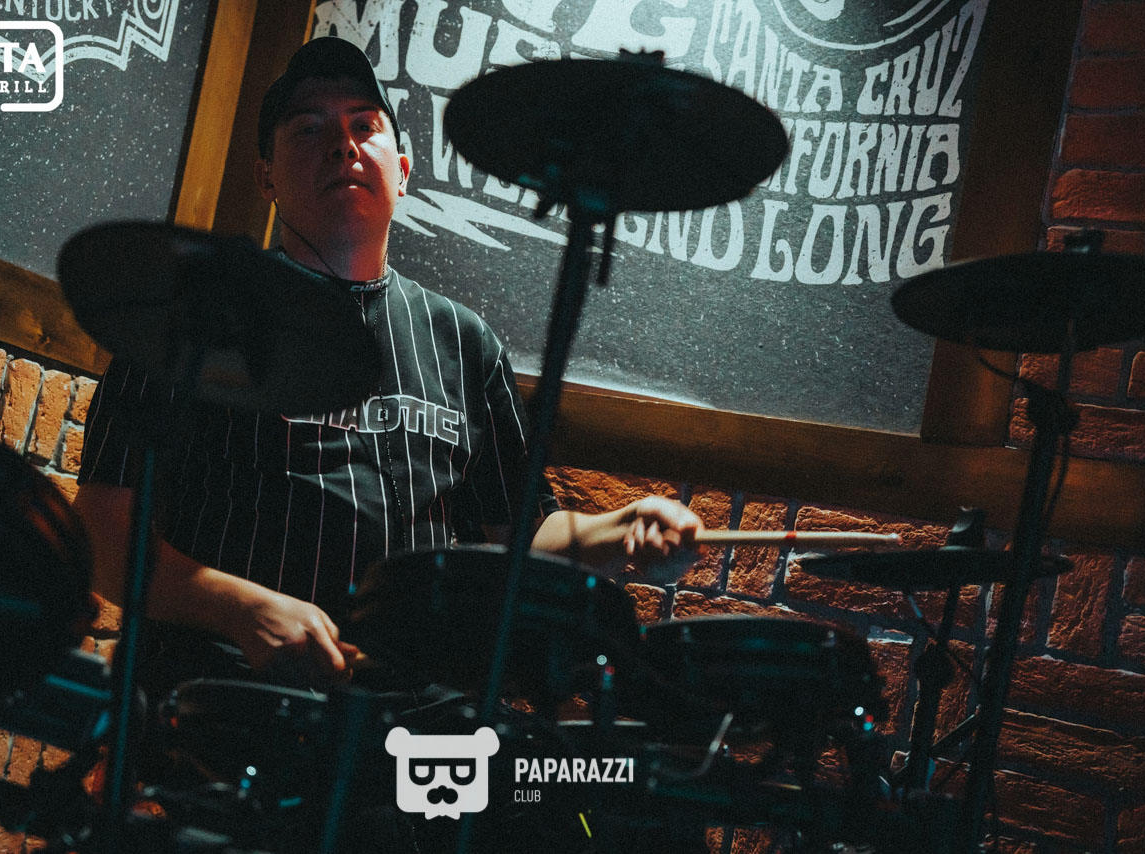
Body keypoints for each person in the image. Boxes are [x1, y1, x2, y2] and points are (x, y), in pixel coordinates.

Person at [72, 36, 702, 692]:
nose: (342, 145)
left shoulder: (465, 342)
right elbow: (102, 530)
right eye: (309, 128)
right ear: (266, 178)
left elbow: (520, 538)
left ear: (401, 172)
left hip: (404, 710)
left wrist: (620, 527)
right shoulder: (195, 316)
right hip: (222, 694)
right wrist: (243, 611)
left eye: (364, 126)